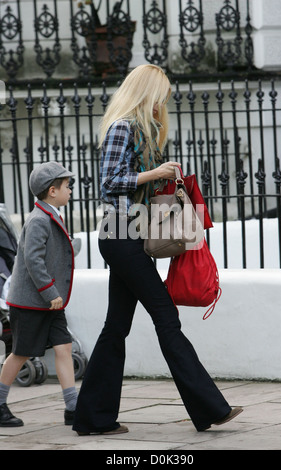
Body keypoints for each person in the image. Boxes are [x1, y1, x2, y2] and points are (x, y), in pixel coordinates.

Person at [73, 64, 243, 436]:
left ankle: (91, 417)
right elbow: (110, 182)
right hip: (120, 231)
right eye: (159, 98)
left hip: (132, 233)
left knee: (116, 326)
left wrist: (167, 179)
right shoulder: (122, 126)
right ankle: (210, 408)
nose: (160, 105)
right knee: (166, 317)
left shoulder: (144, 133)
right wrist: (157, 174)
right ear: (145, 94)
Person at [0, 161, 78, 427]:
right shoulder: (38, 220)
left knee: (64, 347)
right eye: (68, 186)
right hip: (34, 302)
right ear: (52, 191)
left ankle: (73, 408)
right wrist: (49, 291)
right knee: (21, 352)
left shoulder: (51, 214)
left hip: (51, 301)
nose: (71, 190)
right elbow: (33, 260)